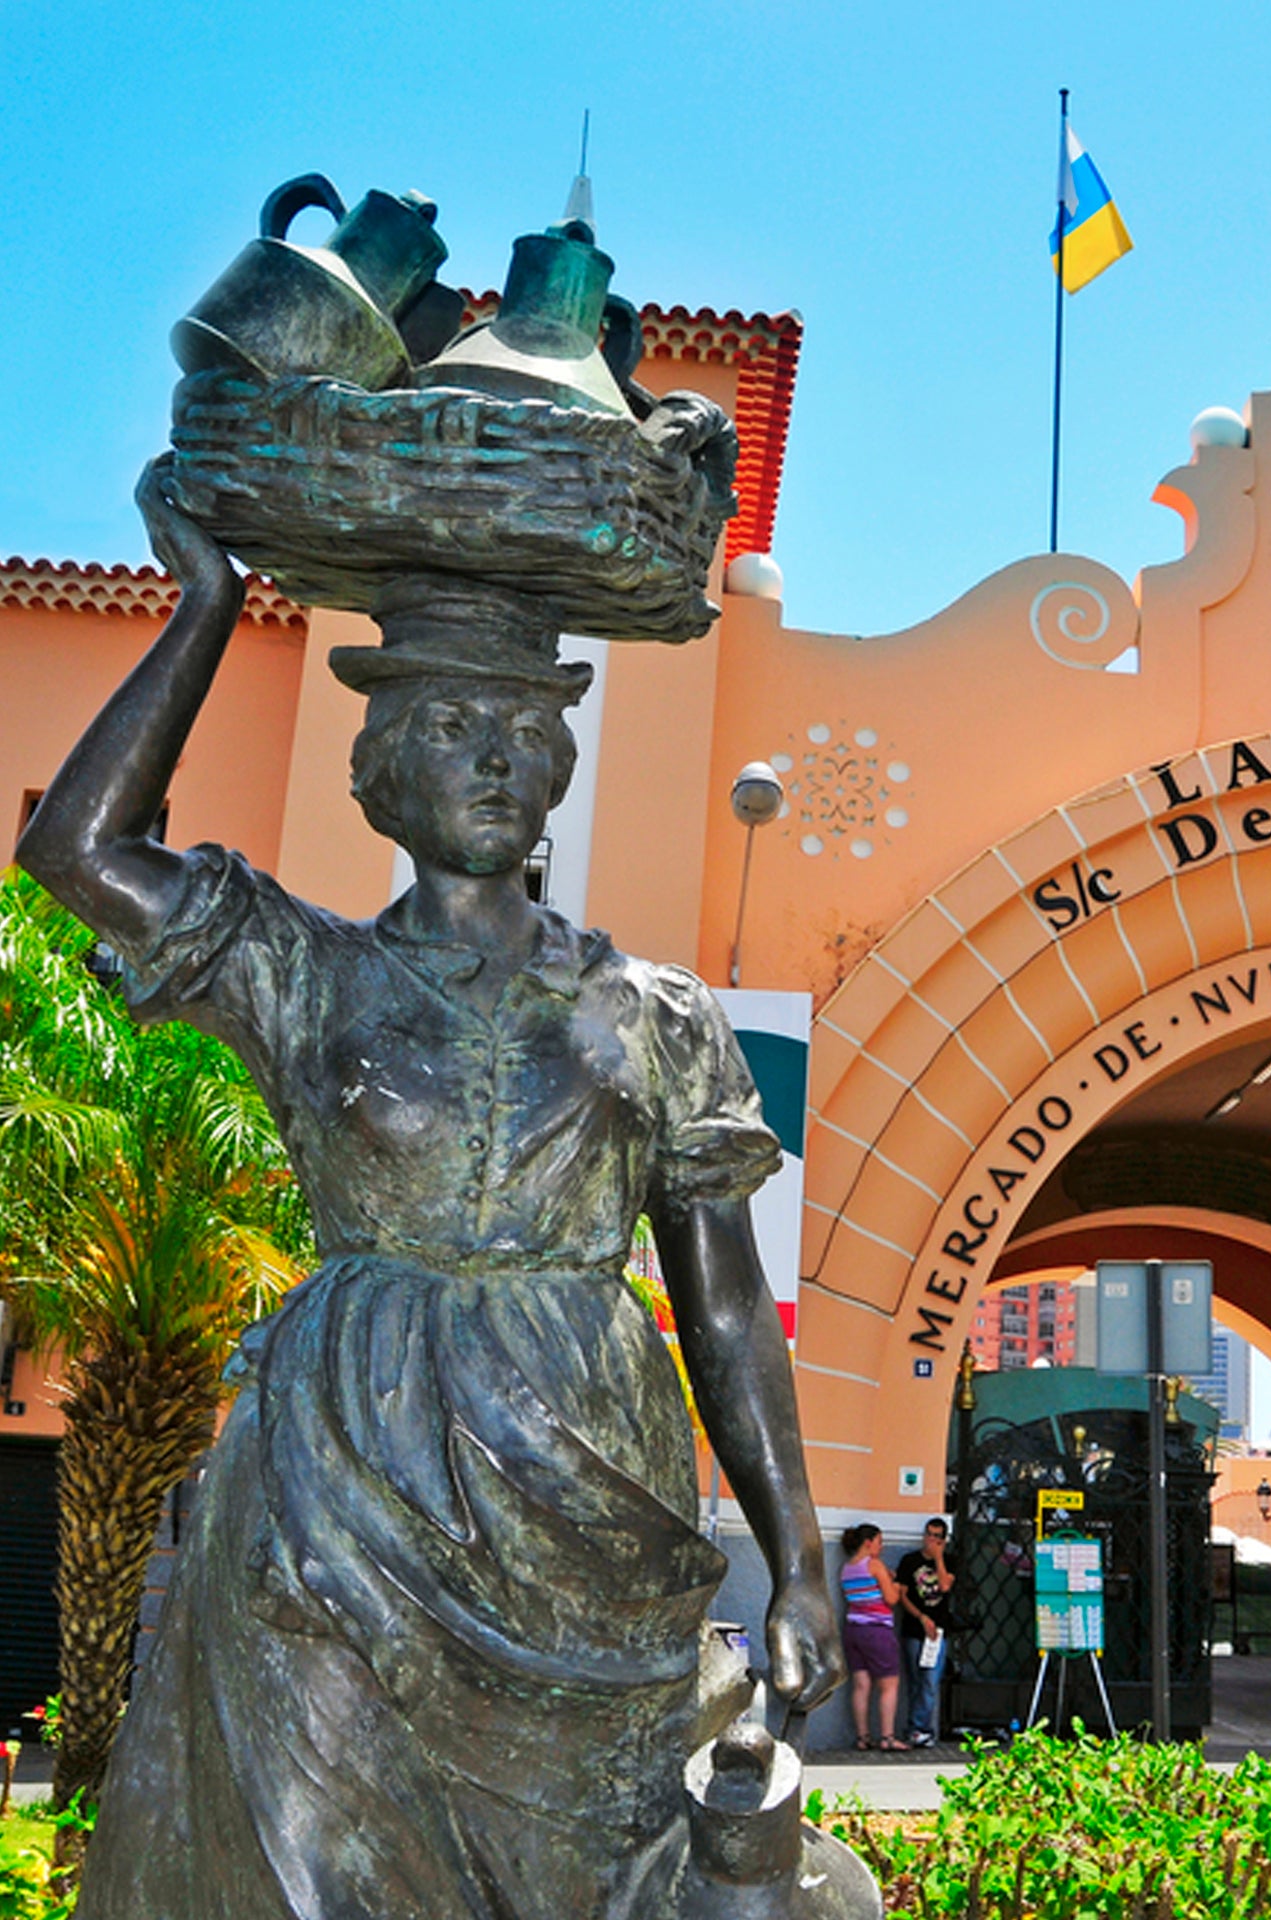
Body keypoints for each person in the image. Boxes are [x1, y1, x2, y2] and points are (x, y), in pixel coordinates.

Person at [17, 461, 847, 1919]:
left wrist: (798, 1562)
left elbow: (725, 1312)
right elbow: (77, 851)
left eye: (528, 733)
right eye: (453, 726)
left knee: (586, 1871)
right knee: (306, 1858)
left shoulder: (655, 1010)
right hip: (338, 1478)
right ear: (382, 764)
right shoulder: (303, 968)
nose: (495, 759)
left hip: (584, 1484)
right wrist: (208, 606)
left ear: (560, 769)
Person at [839, 1525, 905, 1750]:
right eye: (879, 1541)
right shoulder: (874, 1565)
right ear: (868, 1543)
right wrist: (895, 1584)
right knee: (889, 1685)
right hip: (877, 1631)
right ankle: (887, 1738)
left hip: (853, 1629)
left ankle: (862, 1737)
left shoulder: (847, 1568)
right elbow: (891, 1598)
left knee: (861, 1685)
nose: (881, 1546)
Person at [893, 1517, 955, 1747]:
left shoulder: (949, 1561)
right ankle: (914, 1727)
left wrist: (938, 1557)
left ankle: (921, 1728)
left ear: (944, 1540)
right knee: (915, 1681)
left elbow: (945, 1586)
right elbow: (903, 1595)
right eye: (929, 1534)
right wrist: (921, 1617)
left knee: (930, 1681)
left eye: (937, 1536)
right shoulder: (909, 1561)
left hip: (938, 1632)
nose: (931, 1540)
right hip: (914, 1629)